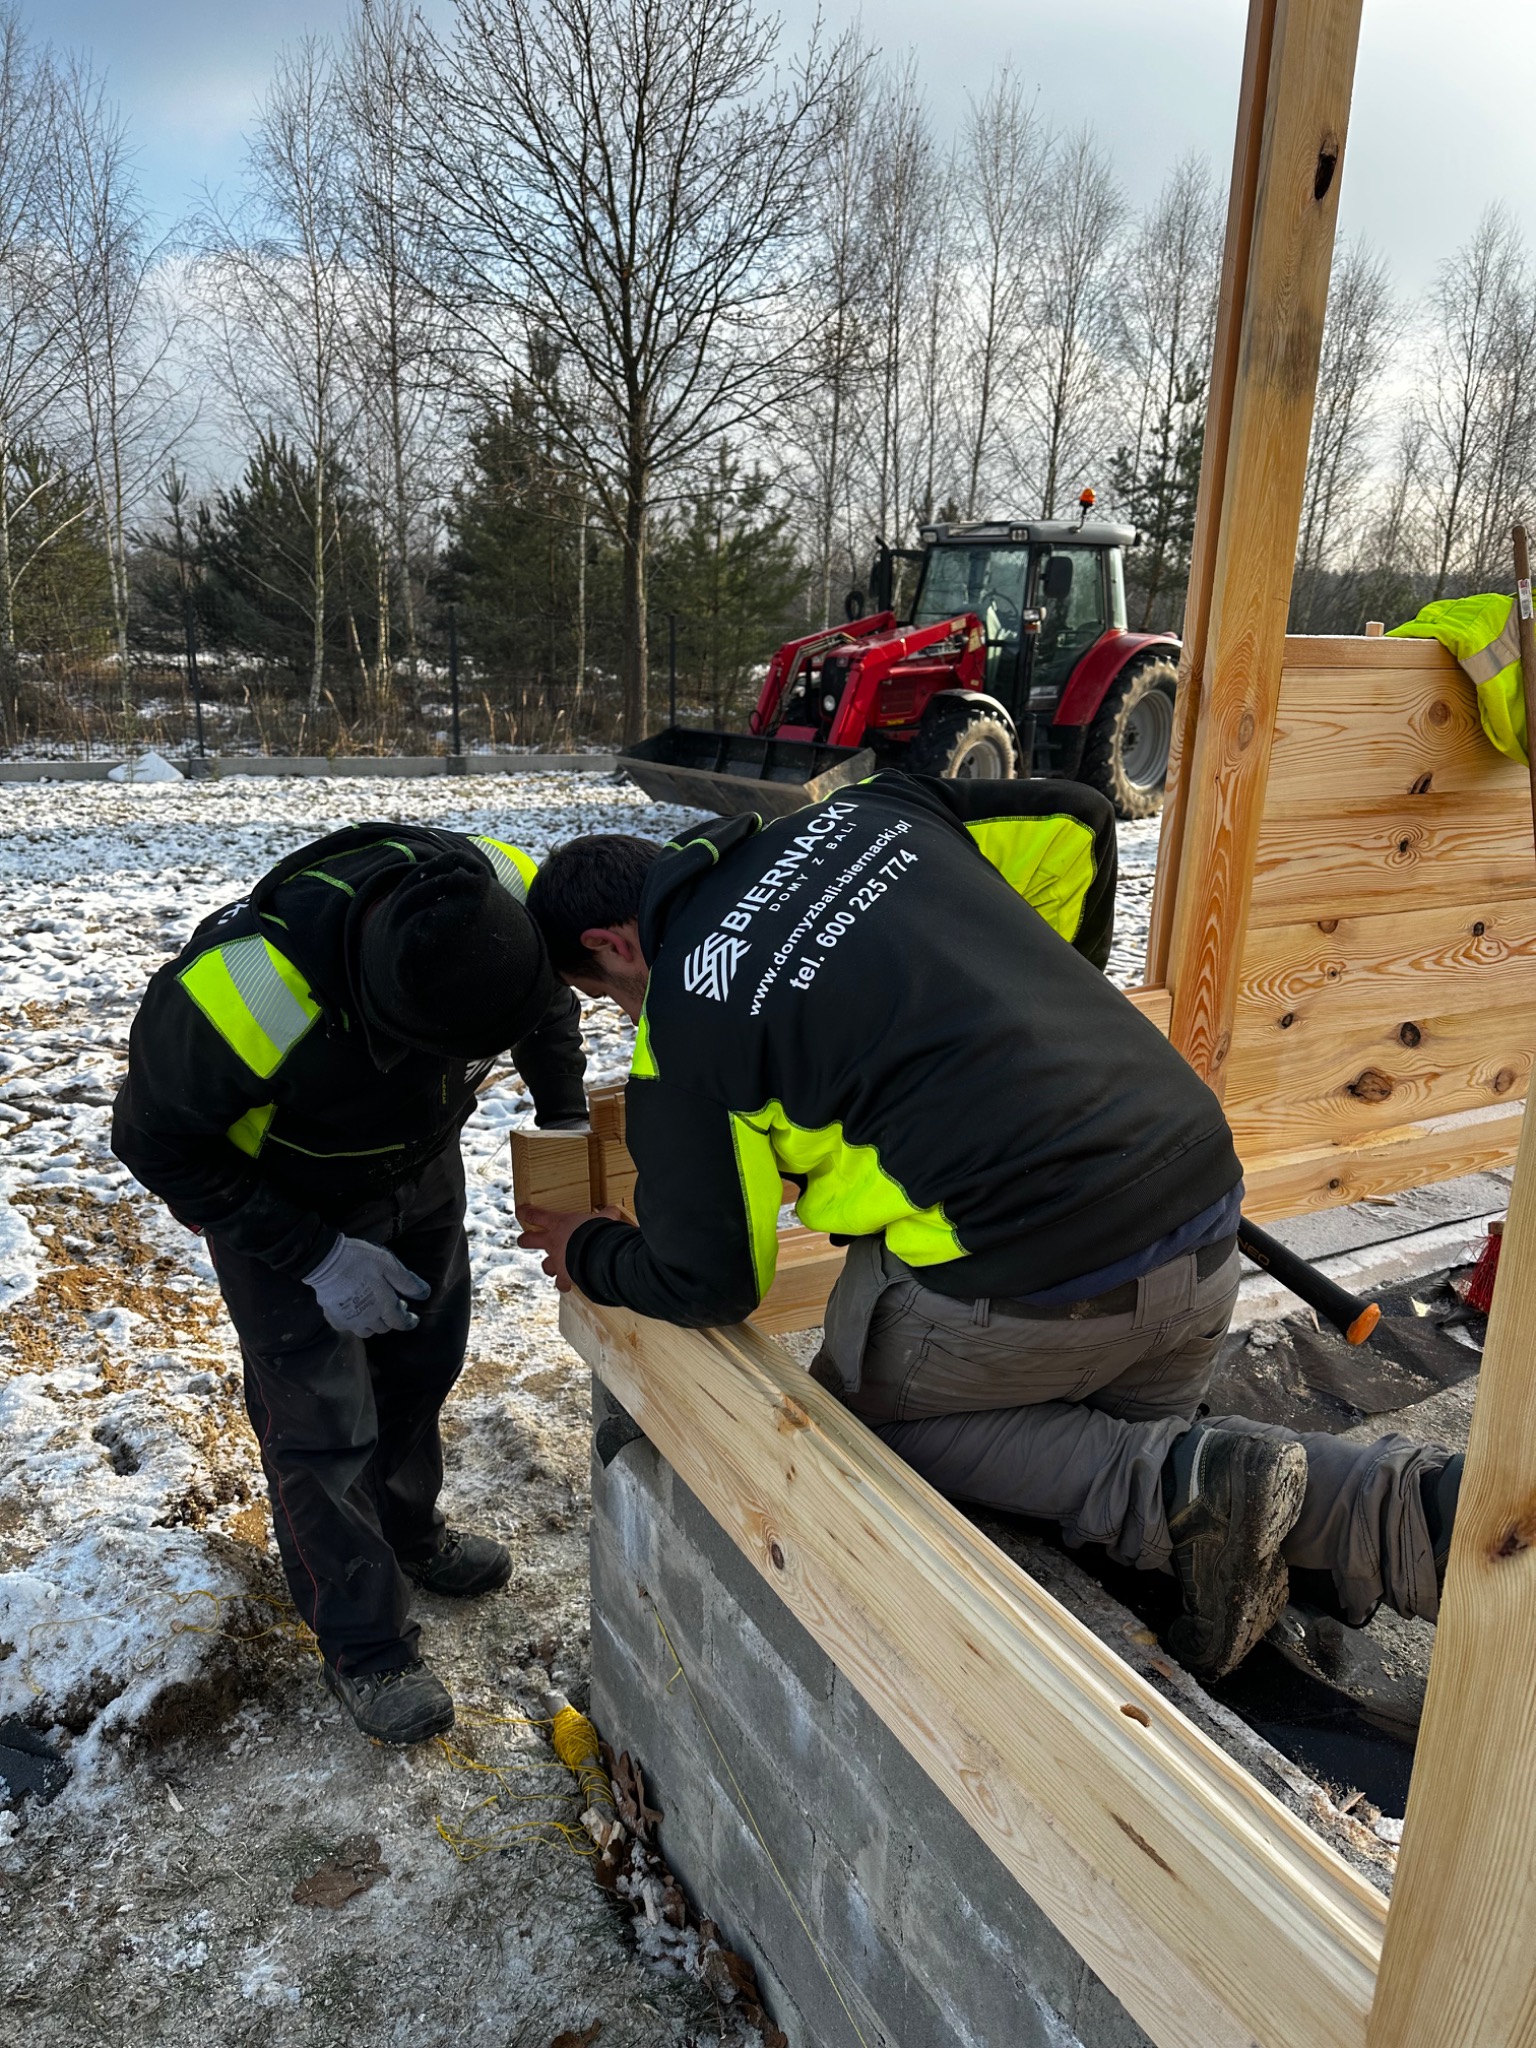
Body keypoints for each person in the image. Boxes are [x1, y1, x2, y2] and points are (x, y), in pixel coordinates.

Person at [518, 773, 1462, 1679]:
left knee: (848, 1448)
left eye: (604, 994)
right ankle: (1240, 1532)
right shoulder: (877, 813)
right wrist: (1021, 1028)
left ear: (615, 944)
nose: (620, 1014)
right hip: (1206, 1224)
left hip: (1042, 1290)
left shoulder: (685, 1028)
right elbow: (1084, 822)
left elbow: (711, 1281)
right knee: (1097, 1460)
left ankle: (1374, 1513)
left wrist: (591, 1248)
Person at [113, 823, 588, 1744]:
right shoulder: (240, 994)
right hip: (284, 1196)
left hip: (419, 1159)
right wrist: (316, 1255)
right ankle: (363, 1643)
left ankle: (408, 1531)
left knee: (424, 1359)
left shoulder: (495, 892)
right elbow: (152, 1143)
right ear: (387, 1016)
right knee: (321, 1423)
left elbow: (544, 1001)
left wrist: (564, 1113)